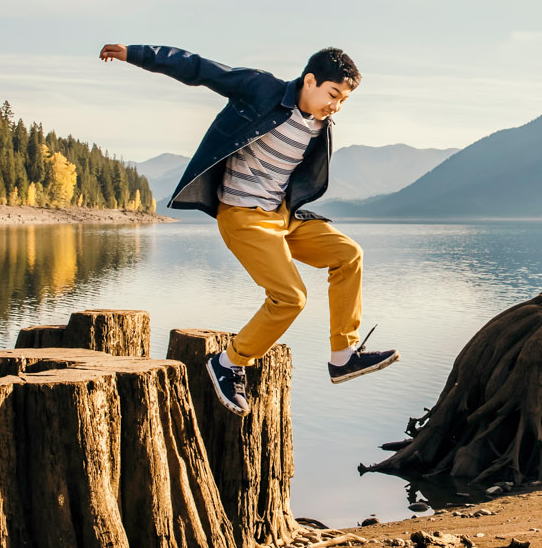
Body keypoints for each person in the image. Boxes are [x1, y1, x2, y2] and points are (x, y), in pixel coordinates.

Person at [99, 42, 398, 415]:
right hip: (242, 214)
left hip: (282, 217)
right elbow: (201, 68)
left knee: (349, 255)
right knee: (290, 298)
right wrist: (136, 54)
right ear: (309, 80)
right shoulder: (263, 89)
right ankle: (230, 363)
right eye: (332, 94)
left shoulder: (320, 124)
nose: (335, 106)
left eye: (343, 101)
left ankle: (343, 354)